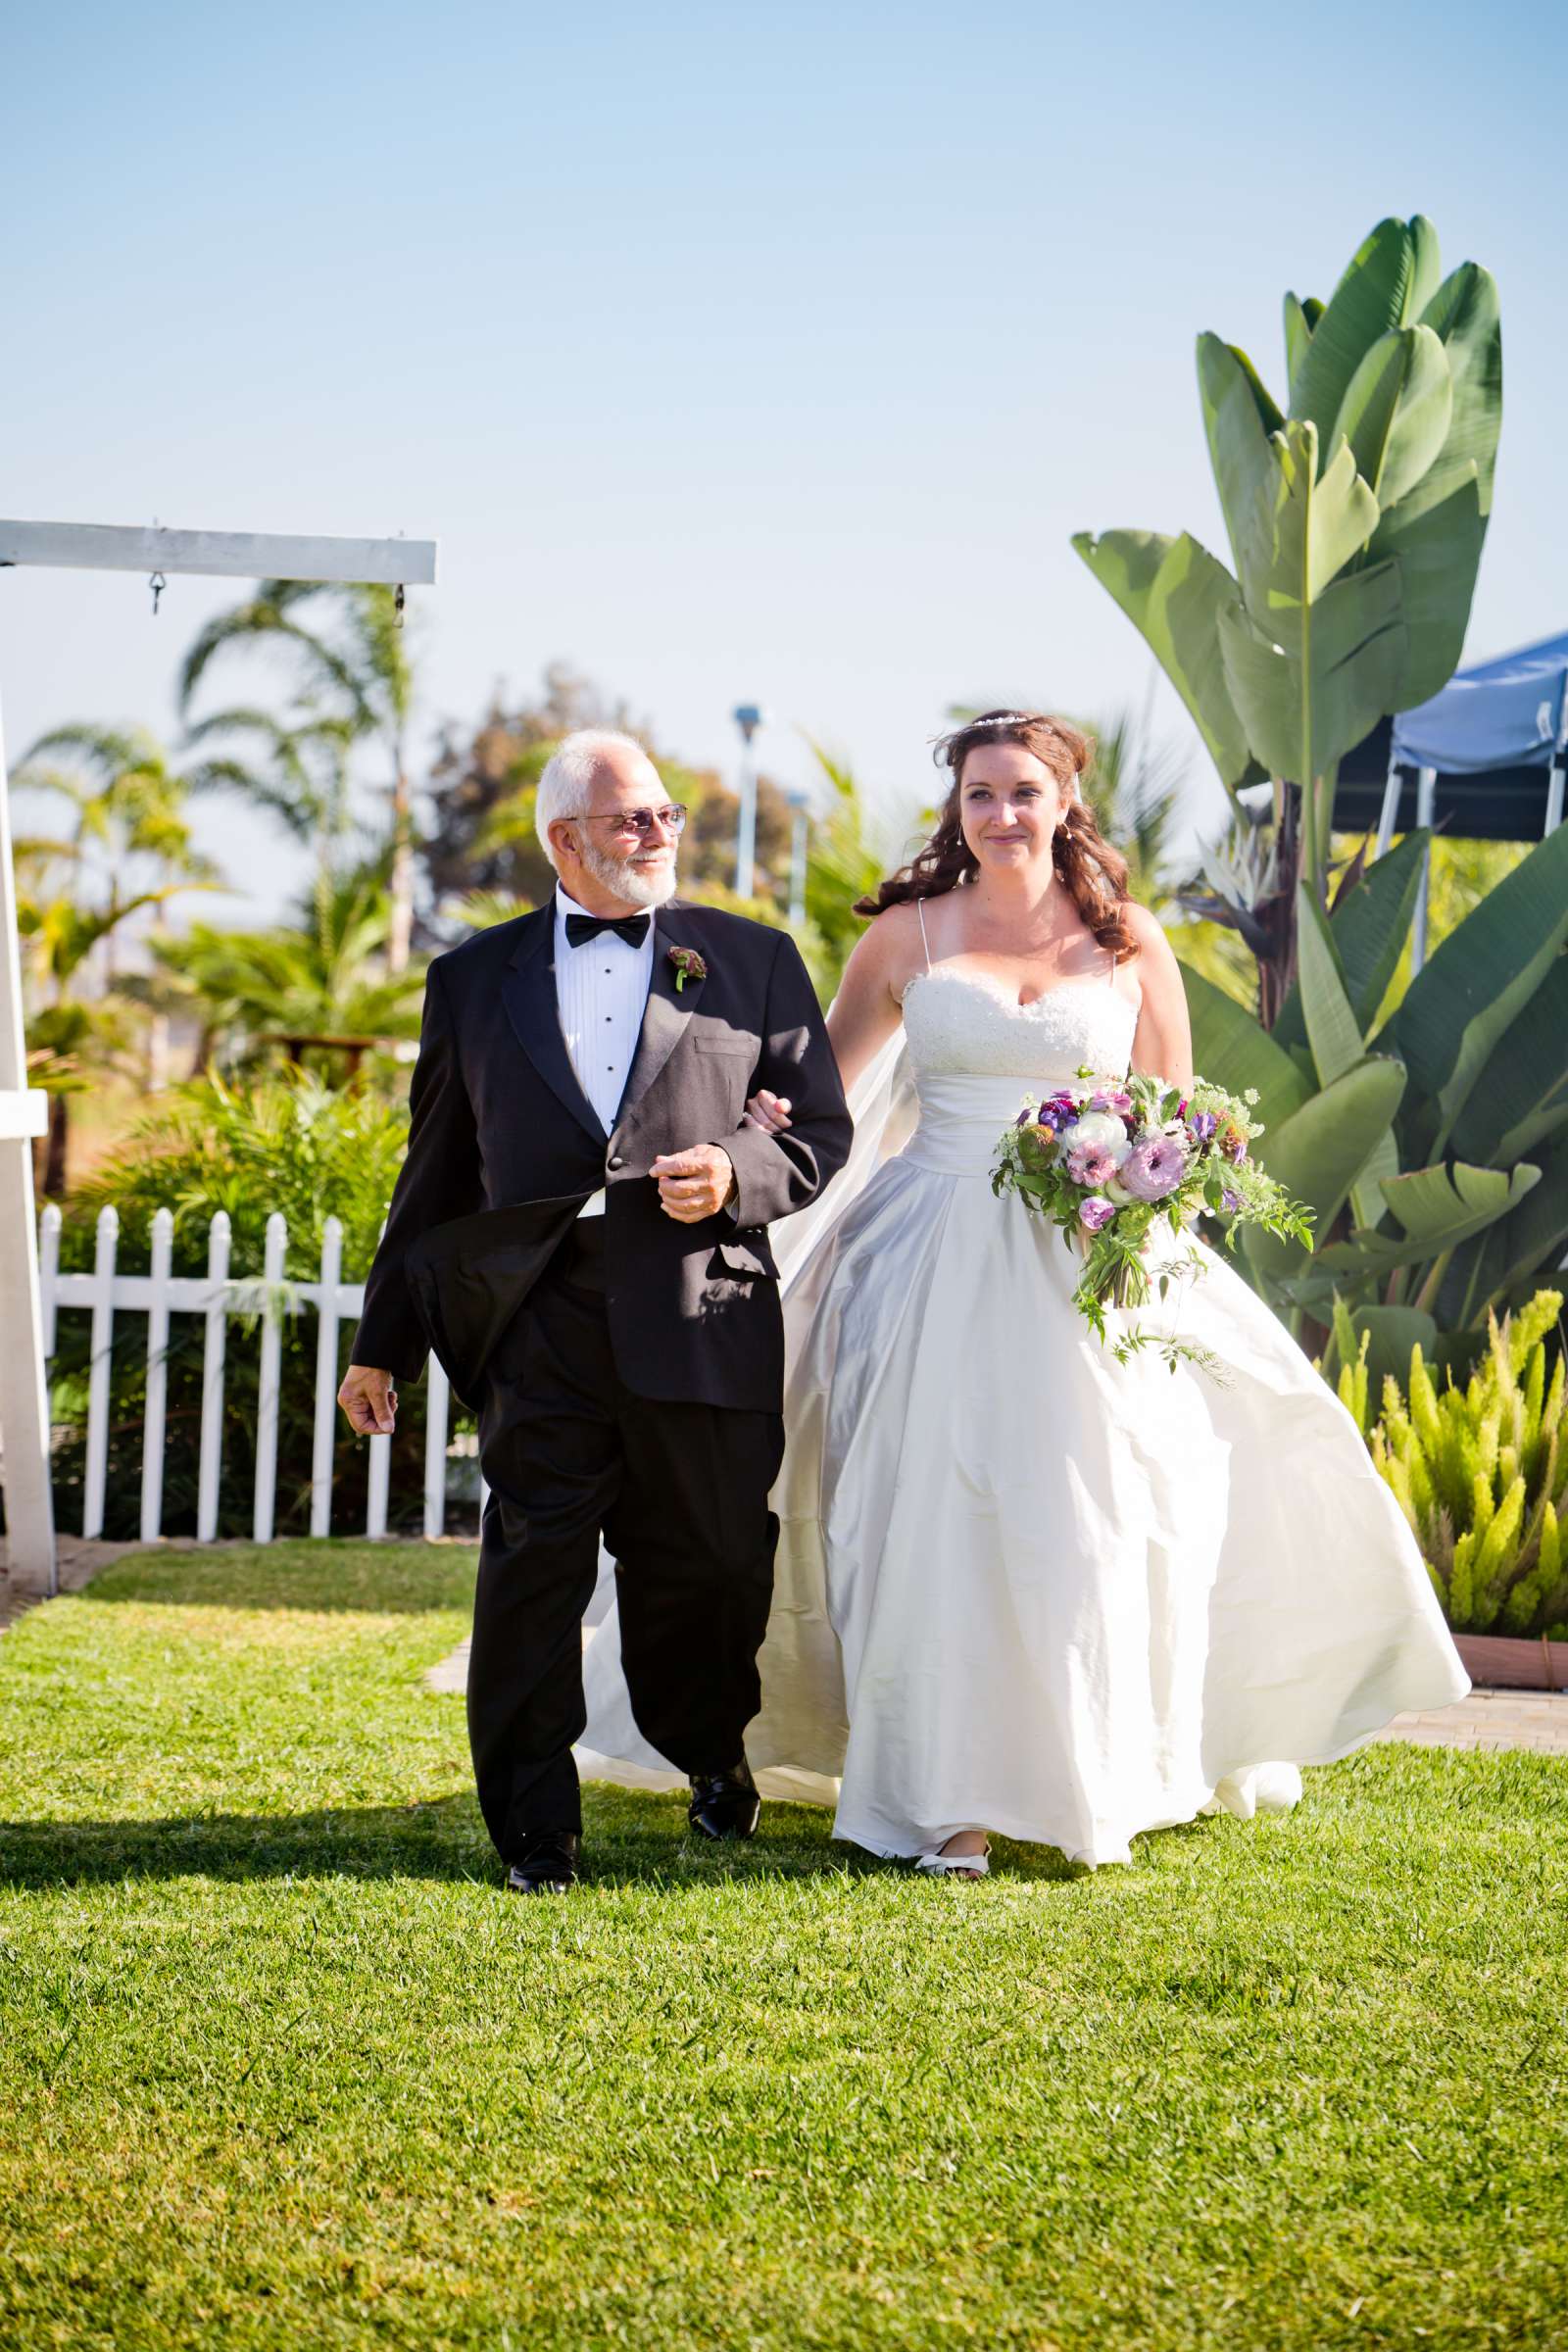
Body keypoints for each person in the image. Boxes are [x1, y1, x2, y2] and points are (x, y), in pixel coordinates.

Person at [577, 710, 1468, 1877]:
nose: (1001, 813)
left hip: (1087, 1260)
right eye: (980, 793)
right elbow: (815, 1106)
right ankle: (945, 1803)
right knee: (927, 1513)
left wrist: (1146, 1206)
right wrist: (721, 1157)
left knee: (1088, 1516)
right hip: (924, 1254)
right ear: (958, 808)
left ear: (1063, 804)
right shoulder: (905, 937)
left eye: (1023, 792)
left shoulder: (1128, 940)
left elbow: (1174, 1116)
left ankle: (1095, 1773)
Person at [339, 729, 852, 1894]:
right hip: (542, 1322)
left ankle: (712, 1756)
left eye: (667, 815)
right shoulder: (472, 979)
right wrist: (384, 1346)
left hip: (702, 1313)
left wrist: (734, 1172)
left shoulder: (753, 958)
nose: (661, 835)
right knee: (530, 1579)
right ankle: (536, 1834)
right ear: (565, 839)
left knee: (713, 1572)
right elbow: (434, 1174)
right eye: (633, 820)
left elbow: (818, 1132)